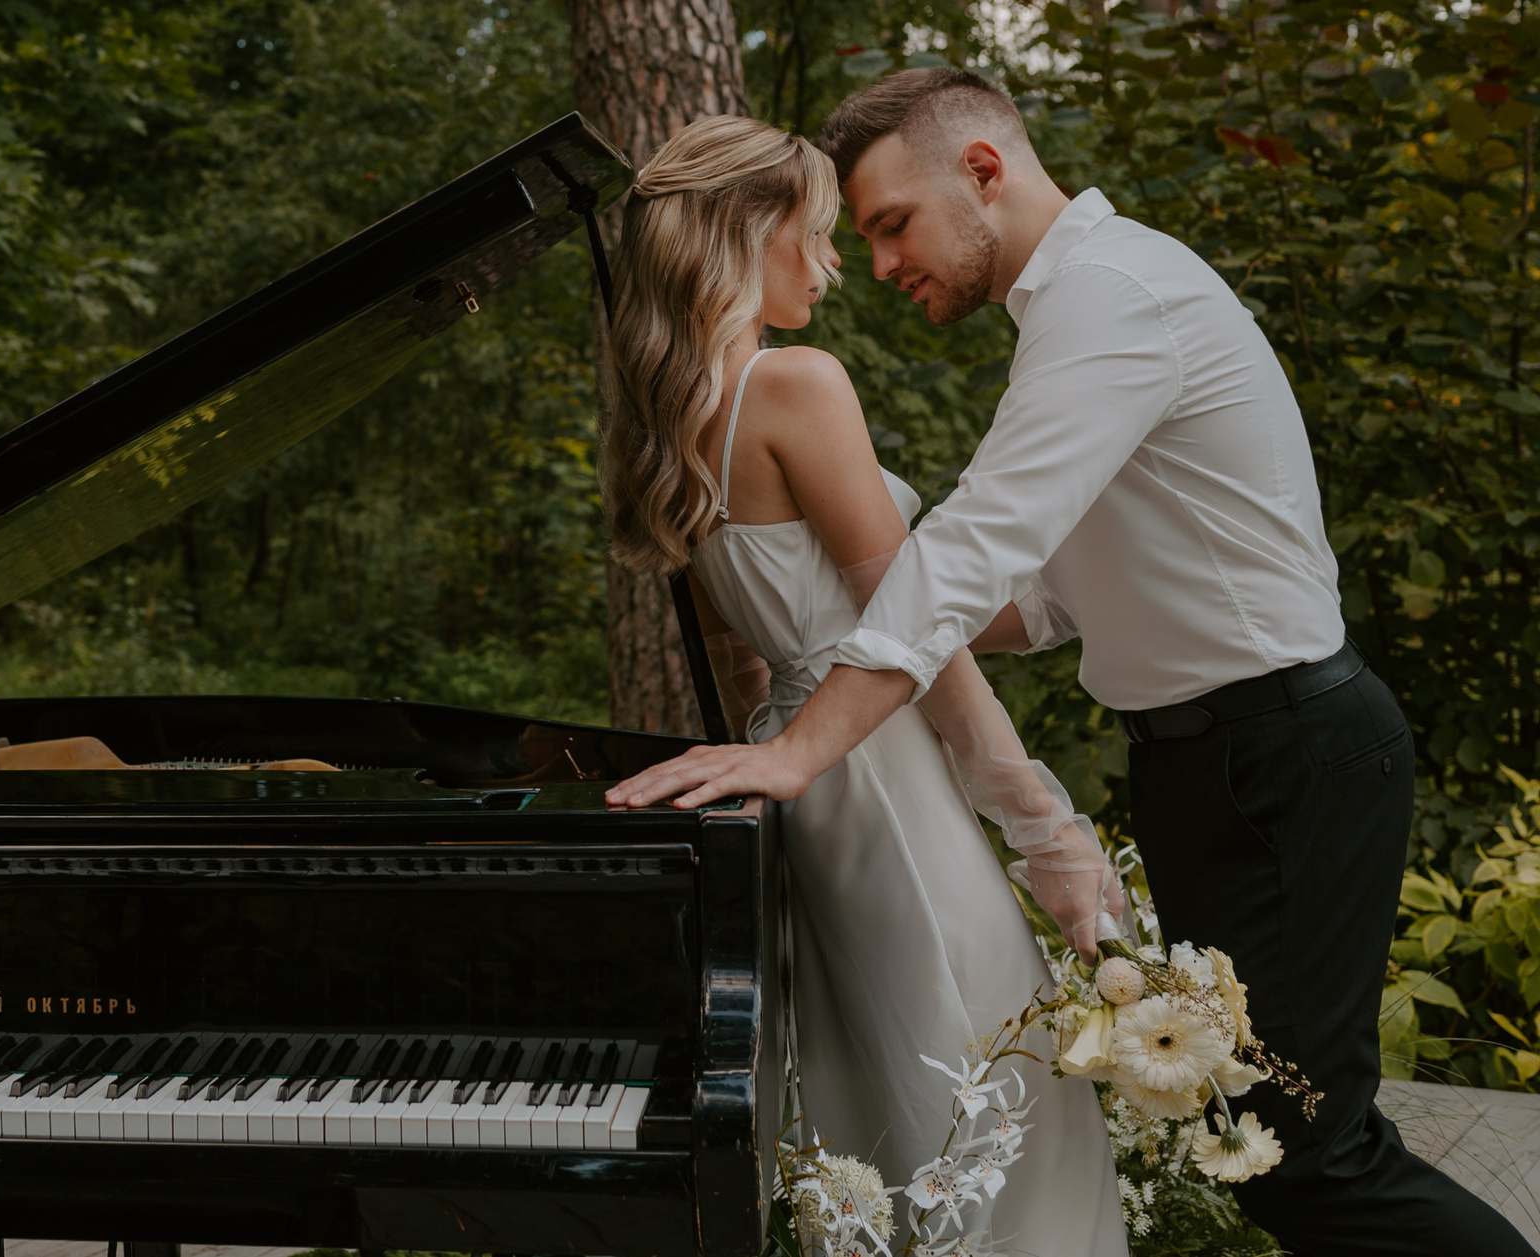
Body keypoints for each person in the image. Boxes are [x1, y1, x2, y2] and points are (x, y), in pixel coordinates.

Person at [611, 68, 1536, 1257]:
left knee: (1304, 1151)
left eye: (890, 222)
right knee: (1238, 1135)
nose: (876, 264)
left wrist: (804, 738)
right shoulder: (1045, 323)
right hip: (1198, 769)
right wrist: (863, 619)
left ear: (983, 170)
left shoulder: (1109, 297)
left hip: (1287, 753)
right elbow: (1039, 594)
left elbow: (965, 557)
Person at [596, 114, 1129, 1253]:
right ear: (749, 232)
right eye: (822, 232)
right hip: (878, 771)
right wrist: (1046, 831)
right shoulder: (796, 385)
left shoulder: (673, 424)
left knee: (870, 1102)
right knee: (998, 1093)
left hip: (800, 788)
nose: (837, 263)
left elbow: (746, 660)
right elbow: (912, 633)